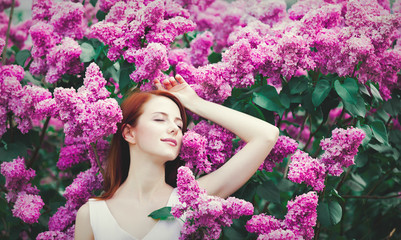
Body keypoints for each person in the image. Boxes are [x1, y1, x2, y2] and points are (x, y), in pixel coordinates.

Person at [74, 75, 279, 240]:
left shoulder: (190, 200)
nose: (173, 128)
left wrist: (195, 103)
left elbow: (266, 135)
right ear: (129, 133)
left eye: (179, 125)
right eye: (159, 119)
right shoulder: (91, 215)